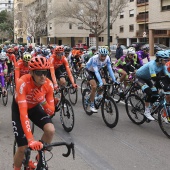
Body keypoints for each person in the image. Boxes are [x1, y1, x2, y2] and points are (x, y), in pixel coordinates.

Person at [12, 56, 55, 170]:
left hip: (35, 106)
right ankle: (16, 167)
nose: (43, 76)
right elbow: (23, 114)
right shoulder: (23, 82)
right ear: (31, 72)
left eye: (45, 72)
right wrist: (31, 140)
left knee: (50, 130)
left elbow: (51, 111)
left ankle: (40, 157)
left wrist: (43, 101)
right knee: (23, 147)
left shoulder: (48, 85)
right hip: (19, 108)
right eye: (39, 72)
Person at [136, 51, 170, 121]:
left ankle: (149, 106)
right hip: (139, 77)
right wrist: (164, 77)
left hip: (147, 78)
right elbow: (154, 78)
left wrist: (167, 76)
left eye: (167, 59)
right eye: (165, 59)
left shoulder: (162, 65)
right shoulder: (152, 64)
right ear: (160, 59)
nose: (167, 61)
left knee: (156, 95)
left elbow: (167, 75)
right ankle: (146, 111)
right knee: (149, 92)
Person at [86, 48, 118, 112]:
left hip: (98, 70)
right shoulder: (95, 58)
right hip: (89, 71)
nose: (103, 57)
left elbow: (110, 69)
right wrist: (100, 82)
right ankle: (92, 105)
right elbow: (96, 72)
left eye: (105, 56)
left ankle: (97, 97)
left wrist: (114, 80)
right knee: (94, 87)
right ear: (99, 55)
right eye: (102, 56)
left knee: (104, 84)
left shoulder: (107, 58)